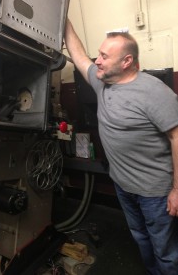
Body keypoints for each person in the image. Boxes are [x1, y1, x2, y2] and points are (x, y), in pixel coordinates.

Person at [64, 19, 178, 275]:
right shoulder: (102, 82)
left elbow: (176, 137)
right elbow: (79, 55)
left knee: (165, 250)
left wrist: (177, 190)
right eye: (99, 54)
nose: (98, 60)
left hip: (155, 193)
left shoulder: (154, 92)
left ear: (126, 61)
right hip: (123, 184)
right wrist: (64, 18)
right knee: (140, 236)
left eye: (104, 56)